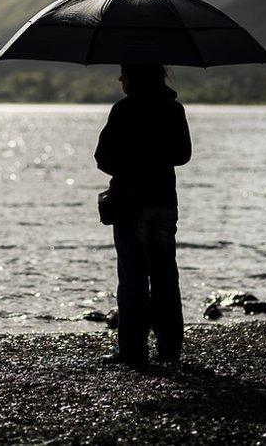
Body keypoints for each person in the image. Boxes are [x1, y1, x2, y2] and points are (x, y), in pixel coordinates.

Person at [95, 63, 192, 368]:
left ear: (134, 77)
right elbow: (183, 155)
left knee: (133, 278)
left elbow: (103, 158)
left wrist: (131, 165)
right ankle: (169, 349)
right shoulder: (174, 109)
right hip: (164, 201)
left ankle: (133, 351)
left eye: (123, 71)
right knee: (166, 275)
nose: (119, 77)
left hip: (131, 202)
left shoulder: (123, 110)